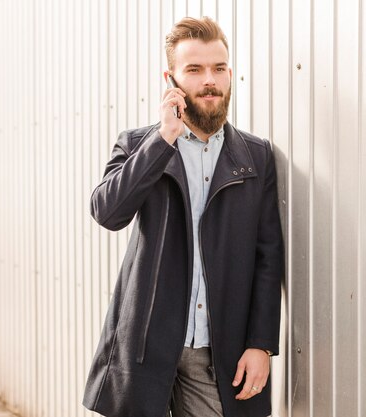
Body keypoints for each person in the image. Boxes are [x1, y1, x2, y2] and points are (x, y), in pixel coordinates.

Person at [82, 16, 284, 417]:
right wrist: (163, 138)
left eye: (218, 68)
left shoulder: (255, 156)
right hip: (145, 346)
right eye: (194, 69)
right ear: (171, 79)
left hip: (214, 350)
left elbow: (268, 255)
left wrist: (261, 344)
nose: (209, 79)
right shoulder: (141, 144)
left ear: (230, 74)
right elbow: (108, 212)